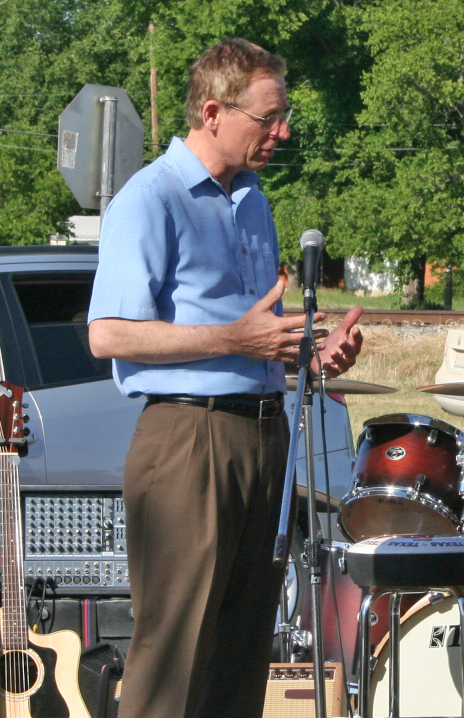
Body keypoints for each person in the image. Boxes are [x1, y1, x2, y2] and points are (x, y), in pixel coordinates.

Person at [87, 38, 363, 718]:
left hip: (265, 438)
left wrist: (306, 356)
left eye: (285, 114)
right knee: (175, 655)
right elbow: (108, 334)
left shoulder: (252, 201)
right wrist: (234, 337)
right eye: (269, 118)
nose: (284, 132)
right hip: (190, 441)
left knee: (242, 656)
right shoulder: (150, 198)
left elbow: (252, 337)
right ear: (213, 111)